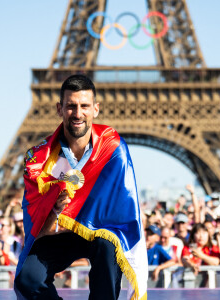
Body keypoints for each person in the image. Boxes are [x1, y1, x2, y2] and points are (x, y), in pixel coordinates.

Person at [14, 75, 147, 300]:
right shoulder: (39, 159)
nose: (77, 113)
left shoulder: (114, 149)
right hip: (59, 233)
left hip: (100, 232)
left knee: (108, 248)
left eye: (84, 106)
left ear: (95, 109)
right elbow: (34, 222)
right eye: (71, 106)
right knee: (28, 278)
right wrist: (52, 209)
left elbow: (121, 213)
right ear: (59, 109)